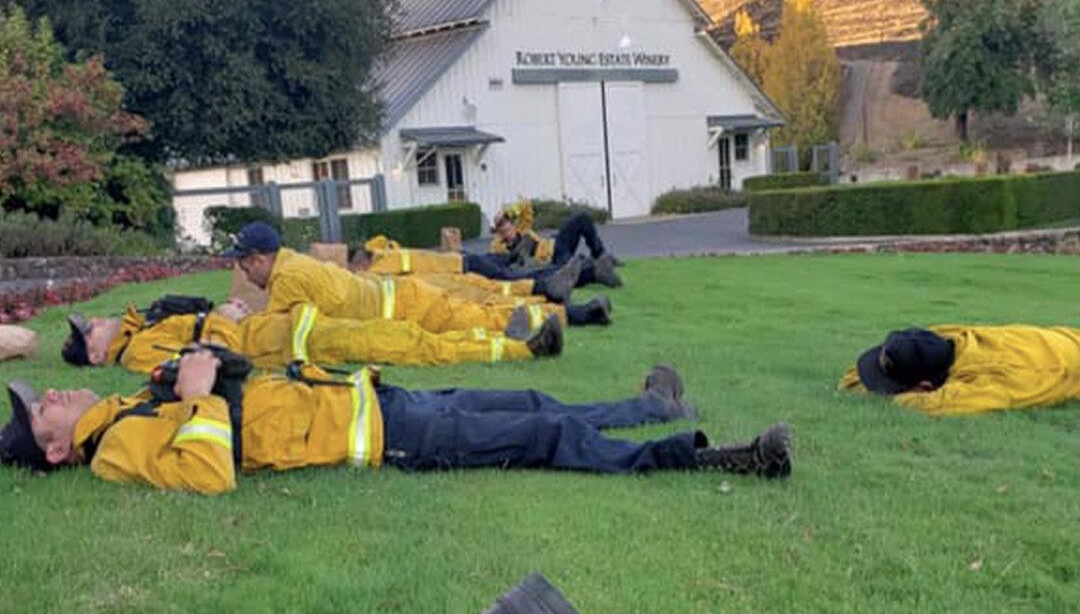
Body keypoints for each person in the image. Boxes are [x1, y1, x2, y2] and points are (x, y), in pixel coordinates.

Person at [1, 352, 793, 494]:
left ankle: (652, 406)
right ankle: (705, 456)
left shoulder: (128, 407)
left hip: (376, 399)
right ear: (56, 447)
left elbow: (233, 401)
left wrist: (202, 369)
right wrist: (203, 395)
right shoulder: (114, 451)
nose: (55, 397)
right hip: (390, 439)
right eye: (44, 410)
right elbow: (208, 472)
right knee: (542, 437)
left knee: (532, 406)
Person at [226, 223, 612, 330]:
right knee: (491, 298)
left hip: (410, 302)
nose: (242, 271)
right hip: (418, 288)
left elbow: (273, 330)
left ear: (260, 259)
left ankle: (572, 306)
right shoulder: (296, 263)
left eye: (244, 264)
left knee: (487, 309)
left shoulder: (289, 278)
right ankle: (570, 294)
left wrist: (240, 320)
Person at [60, 299, 564, 373]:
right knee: (409, 345)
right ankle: (521, 348)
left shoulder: (139, 329)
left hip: (294, 328)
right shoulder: (136, 353)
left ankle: (501, 332)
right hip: (295, 345)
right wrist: (224, 317)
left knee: (402, 331)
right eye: (90, 332)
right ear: (97, 353)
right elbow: (205, 356)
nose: (95, 322)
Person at [839, 325, 1080, 415]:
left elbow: (934, 404)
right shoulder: (949, 338)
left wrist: (879, 395)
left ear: (925, 387)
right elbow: (851, 379)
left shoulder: (993, 381)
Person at [356, 235, 583, 304]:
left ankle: (562, 277)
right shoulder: (389, 254)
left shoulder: (381, 264)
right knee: (507, 278)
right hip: (461, 265)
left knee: (508, 278)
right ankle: (559, 279)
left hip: (462, 267)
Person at [489, 200, 622, 288]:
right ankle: (594, 268)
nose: (507, 230)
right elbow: (501, 265)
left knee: (581, 218)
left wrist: (510, 210)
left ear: (512, 224)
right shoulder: (497, 246)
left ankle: (600, 254)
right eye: (502, 228)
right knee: (568, 270)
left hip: (556, 245)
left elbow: (527, 208)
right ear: (498, 231)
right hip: (551, 262)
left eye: (508, 225)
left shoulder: (522, 229)